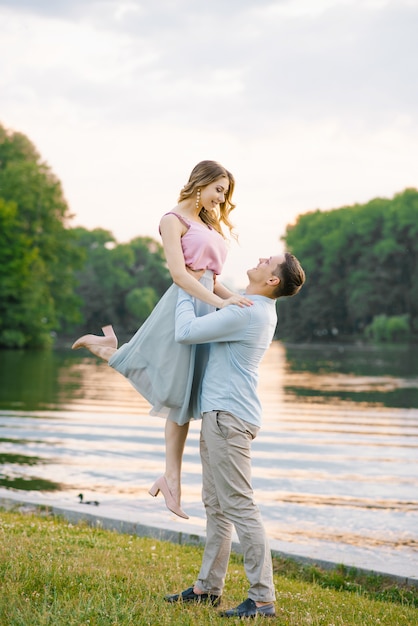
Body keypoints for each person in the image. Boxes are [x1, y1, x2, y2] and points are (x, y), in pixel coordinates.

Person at [71, 160, 252, 519]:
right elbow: (179, 275)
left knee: (182, 395)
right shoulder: (173, 220)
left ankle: (171, 478)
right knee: (176, 390)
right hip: (185, 304)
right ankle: (108, 350)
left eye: (225, 193)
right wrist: (220, 303)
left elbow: (211, 278)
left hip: (206, 304)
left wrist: (234, 302)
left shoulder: (208, 222)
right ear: (201, 183)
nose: (221, 198)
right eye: (219, 189)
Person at [165, 252, 305, 618]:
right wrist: (203, 275)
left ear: (272, 280)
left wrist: (184, 286)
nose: (260, 258)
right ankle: (207, 589)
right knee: (217, 507)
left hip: (228, 419)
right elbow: (218, 292)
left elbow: (184, 333)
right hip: (223, 416)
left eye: (268, 260)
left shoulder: (246, 312)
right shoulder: (254, 307)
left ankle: (262, 599)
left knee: (240, 507)